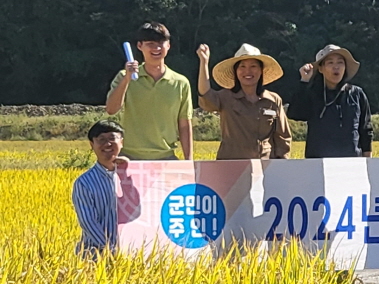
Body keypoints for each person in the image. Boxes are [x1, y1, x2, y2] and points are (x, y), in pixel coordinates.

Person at [104, 22, 193, 160]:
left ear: (168, 45)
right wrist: (127, 79)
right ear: (140, 46)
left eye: (161, 43)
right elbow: (111, 109)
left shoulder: (180, 83)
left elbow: (184, 124)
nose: (156, 48)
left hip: (166, 157)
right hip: (129, 156)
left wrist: (189, 160)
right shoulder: (124, 76)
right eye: (150, 43)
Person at [196, 43, 292, 160]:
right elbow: (206, 95)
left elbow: (283, 137)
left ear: (261, 70)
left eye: (253, 66)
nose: (248, 71)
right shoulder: (225, 97)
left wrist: (282, 163)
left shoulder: (273, 100)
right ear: (235, 71)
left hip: (265, 166)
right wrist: (204, 62)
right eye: (242, 67)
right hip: (230, 165)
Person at [288, 45, 373, 158]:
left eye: (340, 62)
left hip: (352, 161)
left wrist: (367, 159)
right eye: (330, 63)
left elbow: (365, 128)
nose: (336, 67)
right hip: (318, 162)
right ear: (321, 69)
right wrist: (304, 81)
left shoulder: (357, 94)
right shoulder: (313, 94)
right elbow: (295, 113)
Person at [72, 120, 127, 255]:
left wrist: (129, 172)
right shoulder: (84, 183)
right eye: (101, 139)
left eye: (112, 138)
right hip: (94, 256)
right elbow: (88, 222)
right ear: (92, 145)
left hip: (131, 254)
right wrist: (111, 250)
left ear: (122, 142)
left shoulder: (133, 177)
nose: (107, 144)